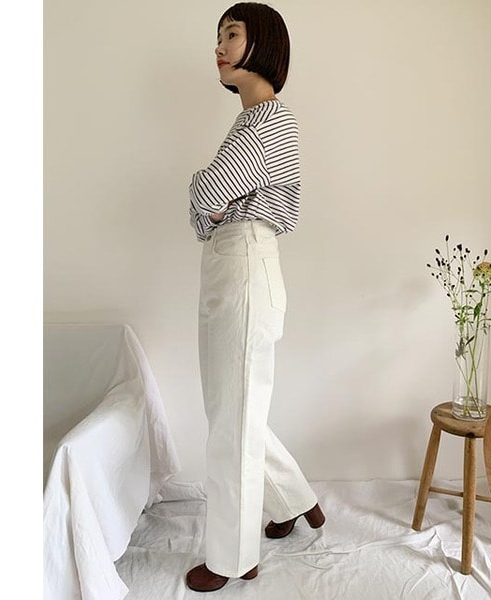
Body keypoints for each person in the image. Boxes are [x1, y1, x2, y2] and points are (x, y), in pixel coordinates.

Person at [186, 2, 325, 593]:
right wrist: (208, 203)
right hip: (235, 263)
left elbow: (206, 195)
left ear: (262, 42)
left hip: (243, 262)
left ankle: (233, 557)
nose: (219, 45)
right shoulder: (252, 122)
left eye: (232, 33)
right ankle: (294, 500)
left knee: (233, 419)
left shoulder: (267, 120)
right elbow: (207, 208)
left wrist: (203, 194)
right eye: (218, 34)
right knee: (234, 409)